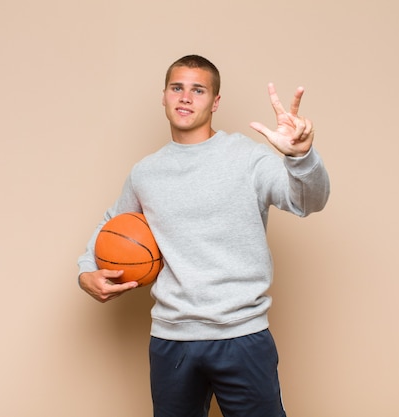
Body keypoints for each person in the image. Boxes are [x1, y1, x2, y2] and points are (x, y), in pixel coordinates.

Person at [77, 55, 330, 417]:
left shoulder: (247, 158)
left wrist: (301, 156)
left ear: (215, 102)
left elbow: (308, 201)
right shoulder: (146, 173)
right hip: (172, 339)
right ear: (163, 96)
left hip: (242, 335)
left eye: (198, 90)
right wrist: (87, 271)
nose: (185, 97)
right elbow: (112, 224)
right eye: (177, 88)